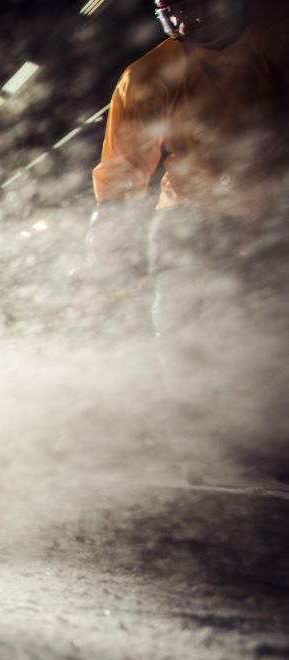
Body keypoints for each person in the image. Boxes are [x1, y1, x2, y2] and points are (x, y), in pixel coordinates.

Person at [89, 0, 289, 483]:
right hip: (193, 217)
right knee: (188, 332)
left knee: (273, 332)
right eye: (170, 12)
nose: (183, 22)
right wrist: (112, 235)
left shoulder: (277, 36)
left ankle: (271, 439)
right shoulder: (151, 73)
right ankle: (205, 443)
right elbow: (123, 164)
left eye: (193, 6)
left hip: (278, 212)